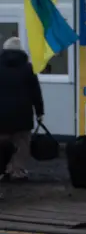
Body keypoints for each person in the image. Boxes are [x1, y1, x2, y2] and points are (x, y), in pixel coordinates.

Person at [0, 37, 44, 182]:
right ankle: (17, 171)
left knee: (2, 144)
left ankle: (2, 169)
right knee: (22, 143)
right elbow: (35, 93)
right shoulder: (28, 68)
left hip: (2, 114)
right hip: (22, 114)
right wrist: (39, 111)